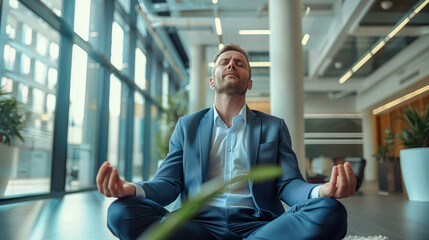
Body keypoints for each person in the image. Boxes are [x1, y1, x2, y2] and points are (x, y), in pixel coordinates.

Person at [96, 43, 356, 240]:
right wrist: (131, 189)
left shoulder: (273, 126)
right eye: (224, 62)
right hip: (196, 225)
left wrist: (319, 191)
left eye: (240, 63)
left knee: (329, 211)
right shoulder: (187, 126)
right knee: (120, 212)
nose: (231, 65)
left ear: (250, 82)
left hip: (260, 225)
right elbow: (168, 183)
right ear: (212, 80)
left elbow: (288, 184)